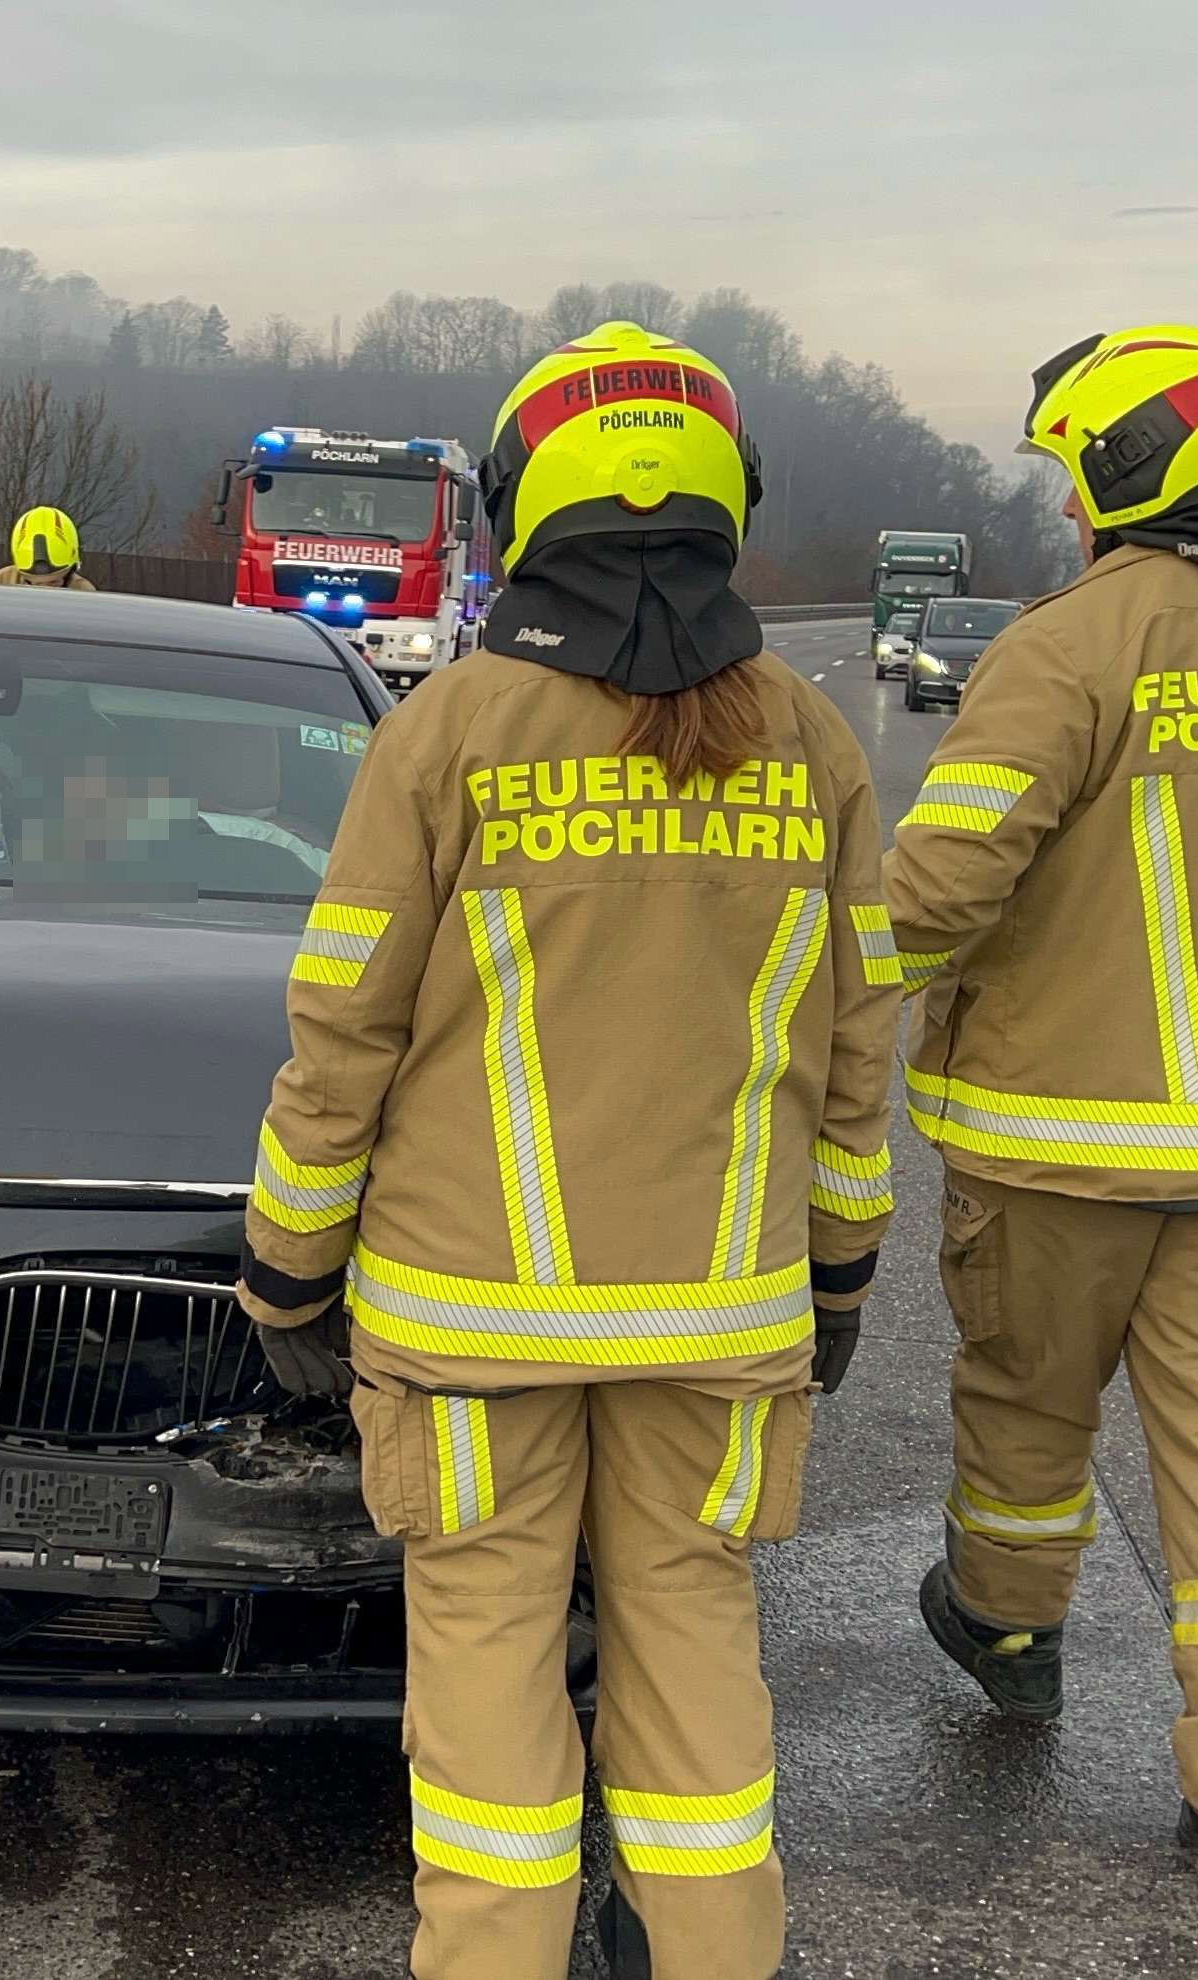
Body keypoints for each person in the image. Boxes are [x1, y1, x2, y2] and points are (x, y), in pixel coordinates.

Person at [240, 321, 901, 1980]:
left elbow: (344, 1042)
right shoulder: (814, 749)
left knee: (484, 1709)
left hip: (469, 1337)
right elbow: (851, 1056)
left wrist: (287, 1279)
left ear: (525, 504)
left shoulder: (446, 733)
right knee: (697, 1682)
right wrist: (837, 1285)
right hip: (717, 1328)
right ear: (728, 507)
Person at [886, 324, 1198, 1888]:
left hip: (1058, 1138)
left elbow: (945, 881)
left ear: (1117, 470)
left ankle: (1011, 1632)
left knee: (1030, 1407)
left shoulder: (1072, 644)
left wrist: (804, 984)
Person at [0, 503, 97, 588]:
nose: (45, 589)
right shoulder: (2, 583)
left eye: (54, 582)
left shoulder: (83, 593)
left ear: (69, 572)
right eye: (36, 584)